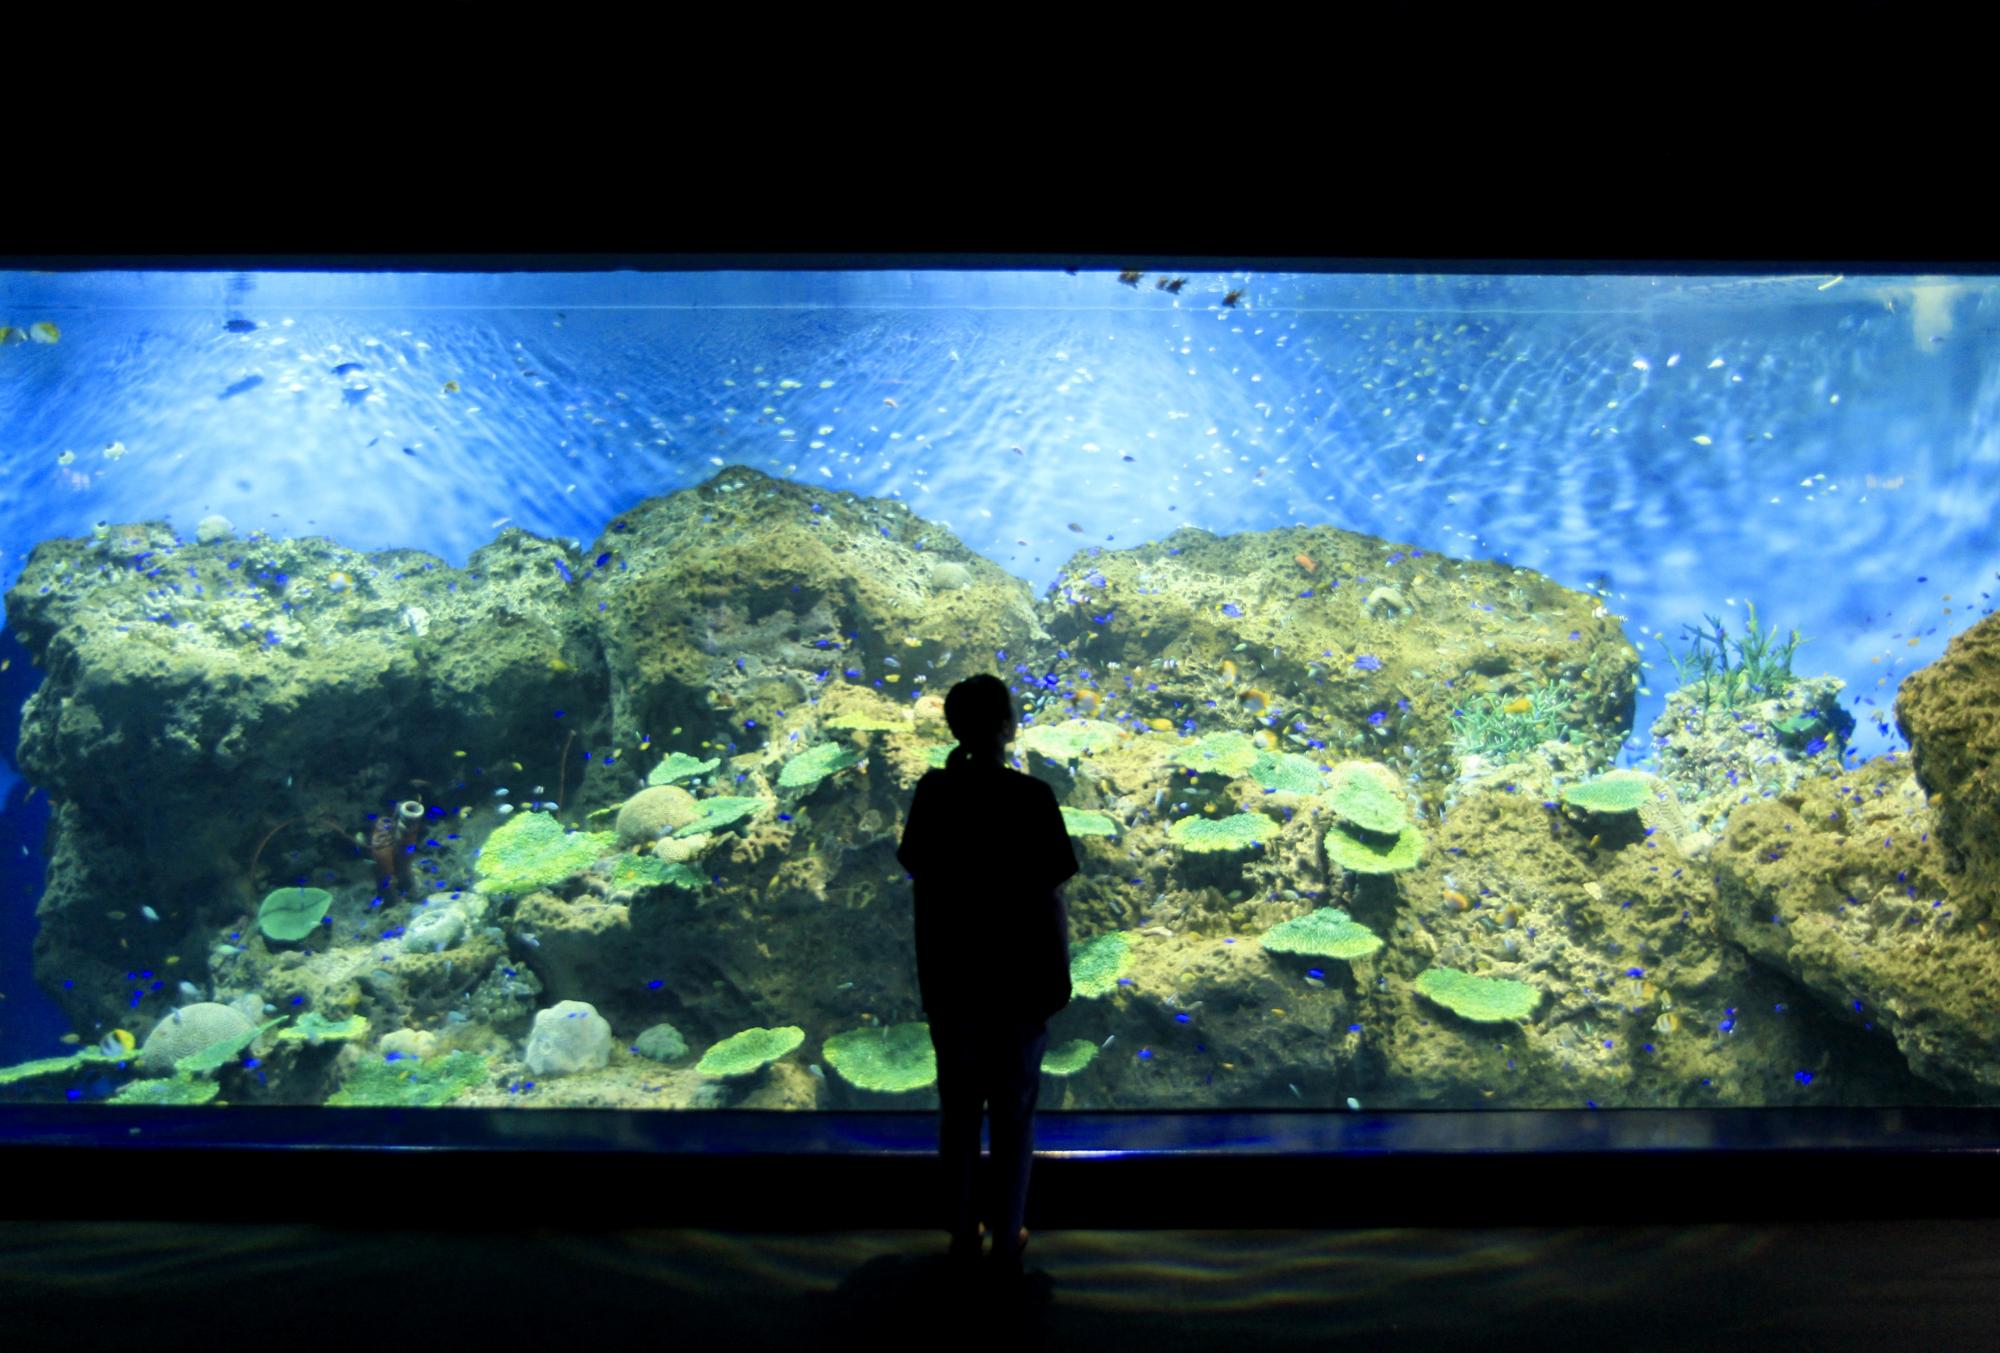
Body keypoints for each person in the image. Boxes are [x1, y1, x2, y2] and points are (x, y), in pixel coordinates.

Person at [897, 673, 1079, 1282]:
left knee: (958, 1107)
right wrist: (1059, 974)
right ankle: (1007, 1234)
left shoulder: (933, 793)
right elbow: (1051, 895)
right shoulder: (1033, 797)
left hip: (952, 980)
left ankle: (961, 1232)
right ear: (1008, 726)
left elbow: (921, 880)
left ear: (953, 728)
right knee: (1014, 1109)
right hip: (1020, 981)